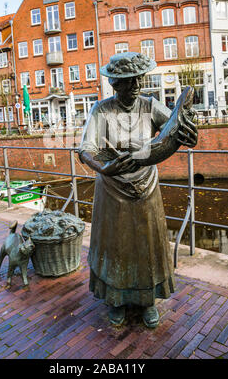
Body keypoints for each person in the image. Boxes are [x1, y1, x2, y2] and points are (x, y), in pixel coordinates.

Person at [79, 52, 197, 328]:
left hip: (146, 186)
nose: (136, 87)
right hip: (111, 186)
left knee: (147, 245)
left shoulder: (150, 105)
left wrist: (190, 133)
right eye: (129, 82)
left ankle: (147, 300)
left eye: (138, 81)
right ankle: (116, 299)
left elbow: (176, 127)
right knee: (116, 245)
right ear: (115, 84)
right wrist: (102, 168)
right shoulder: (101, 110)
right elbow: (86, 148)